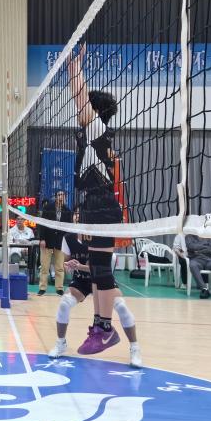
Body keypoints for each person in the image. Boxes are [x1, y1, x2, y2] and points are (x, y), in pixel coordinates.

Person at [67, 45, 124, 354]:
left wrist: (74, 68)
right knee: (99, 268)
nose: (80, 110)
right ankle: (101, 327)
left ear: (94, 110)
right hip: (93, 203)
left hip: (102, 205)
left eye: (86, 107)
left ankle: (105, 328)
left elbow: (79, 97)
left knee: (102, 271)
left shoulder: (96, 127)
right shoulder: (94, 135)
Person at [49, 208, 141, 367]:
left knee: (121, 306)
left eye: (81, 214)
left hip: (102, 280)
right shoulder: (68, 238)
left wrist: (79, 266)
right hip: (81, 281)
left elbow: (99, 268)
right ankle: (61, 343)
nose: (78, 216)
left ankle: (135, 348)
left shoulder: (99, 236)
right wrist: (69, 264)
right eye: (76, 214)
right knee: (64, 303)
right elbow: (66, 262)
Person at [37, 190, 71, 295]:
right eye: (59, 195)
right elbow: (42, 224)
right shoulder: (48, 208)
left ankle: (59, 288)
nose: (61, 197)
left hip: (60, 242)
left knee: (59, 266)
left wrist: (66, 241)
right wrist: (42, 239)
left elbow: (68, 228)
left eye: (63, 195)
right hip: (47, 240)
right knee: (44, 266)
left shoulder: (67, 210)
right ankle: (42, 288)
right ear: (56, 197)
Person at [177, 233, 211, 300]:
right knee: (192, 265)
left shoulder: (208, 236)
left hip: (209, 259)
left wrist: (198, 250)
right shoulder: (189, 236)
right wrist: (206, 246)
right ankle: (204, 289)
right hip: (196, 259)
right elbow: (191, 247)